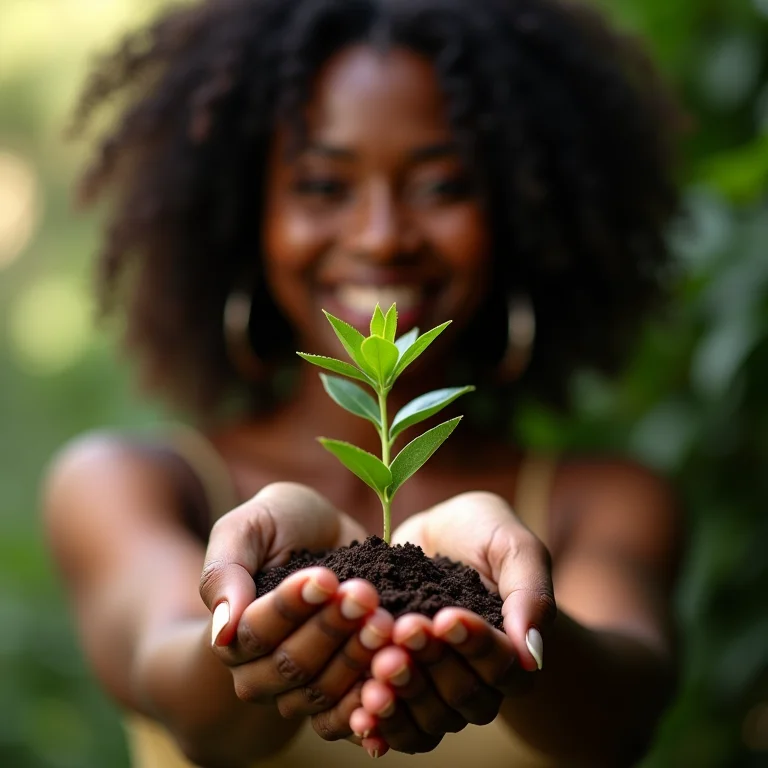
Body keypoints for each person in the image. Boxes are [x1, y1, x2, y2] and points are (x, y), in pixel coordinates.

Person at [44, 0, 686, 765]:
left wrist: (509, 619)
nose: (382, 235)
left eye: (443, 185)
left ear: (518, 212)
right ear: (247, 216)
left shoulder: (603, 501)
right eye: (323, 185)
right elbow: (183, 695)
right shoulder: (129, 483)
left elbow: (620, 715)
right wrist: (266, 617)